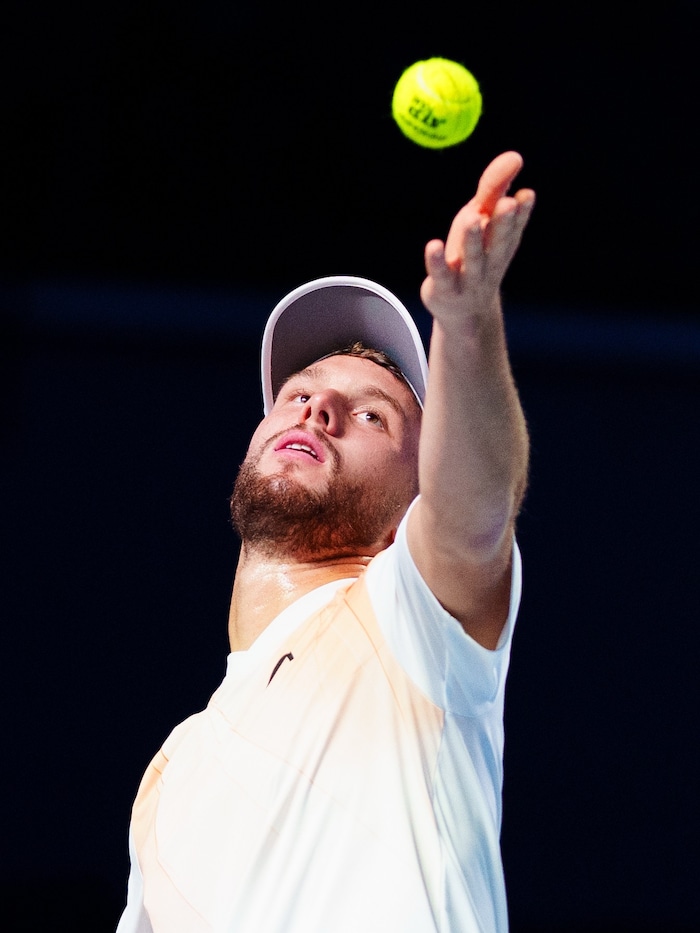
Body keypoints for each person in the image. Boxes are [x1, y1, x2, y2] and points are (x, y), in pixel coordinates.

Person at [116, 150, 535, 933]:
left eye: (371, 413)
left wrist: (468, 321)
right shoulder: (170, 773)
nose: (318, 411)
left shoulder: (408, 622)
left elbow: (475, 510)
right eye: (300, 392)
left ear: (413, 497)